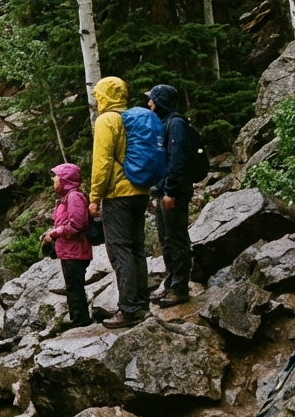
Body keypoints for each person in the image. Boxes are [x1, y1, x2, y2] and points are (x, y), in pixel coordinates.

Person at [89, 77, 153, 329]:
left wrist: (95, 197)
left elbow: (102, 163)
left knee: (120, 250)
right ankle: (142, 303)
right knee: (137, 249)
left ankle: (128, 309)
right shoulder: (132, 117)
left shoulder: (107, 120)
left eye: (98, 95)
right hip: (141, 191)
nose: (96, 100)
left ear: (105, 95)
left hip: (118, 194)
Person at [148, 84, 194, 307]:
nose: (149, 104)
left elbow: (176, 160)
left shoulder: (175, 123)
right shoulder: (164, 122)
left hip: (174, 192)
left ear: (161, 101)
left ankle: (180, 288)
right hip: (164, 190)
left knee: (176, 239)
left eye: (152, 100)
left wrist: (170, 191)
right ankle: (170, 284)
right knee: (166, 239)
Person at [41, 163, 93, 327]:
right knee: (72, 286)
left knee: (74, 287)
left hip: (76, 250)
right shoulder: (67, 197)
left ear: (65, 178)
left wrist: (54, 234)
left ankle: (80, 320)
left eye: (56, 176)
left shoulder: (74, 197)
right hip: (69, 250)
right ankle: (77, 318)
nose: (53, 179)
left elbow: (78, 224)